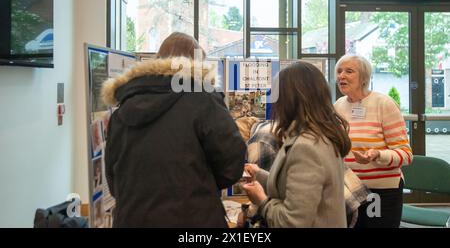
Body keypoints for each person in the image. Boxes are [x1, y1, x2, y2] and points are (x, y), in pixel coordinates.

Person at [102, 32, 246, 227]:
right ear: (197, 64)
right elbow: (232, 166)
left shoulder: (122, 109)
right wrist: (199, 182)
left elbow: (113, 181)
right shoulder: (203, 99)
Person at [241, 61, 352, 227]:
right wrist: (260, 174)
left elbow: (292, 222)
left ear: (289, 99)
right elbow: (297, 187)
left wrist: (262, 201)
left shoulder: (306, 146)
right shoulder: (320, 135)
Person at [334, 54, 413, 228]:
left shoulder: (384, 104)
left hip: (381, 191)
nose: (341, 76)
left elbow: (406, 155)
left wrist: (378, 155)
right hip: (348, 189)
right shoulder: (338, 105)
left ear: (364, 78)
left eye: (349, 71)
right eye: (339, 71)